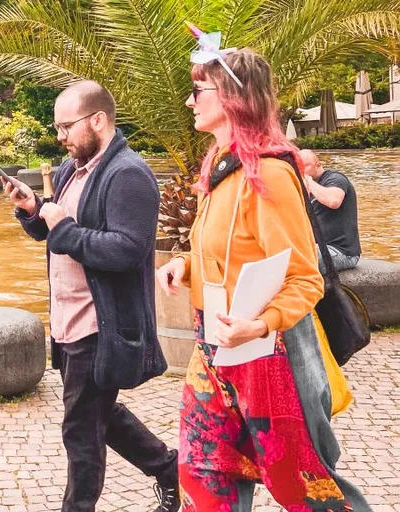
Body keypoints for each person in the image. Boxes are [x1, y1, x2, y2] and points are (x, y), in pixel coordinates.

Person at [155, 27, 372, 511]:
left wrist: (260, 324)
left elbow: (306, 278)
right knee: (202, 470)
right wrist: (185, 266)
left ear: (230, 97)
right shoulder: (220, 166)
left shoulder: (268, 174)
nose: (189, 102)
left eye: (197, 91)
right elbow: (226, 250)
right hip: (214, 346)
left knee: (302, 485)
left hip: (268, 353)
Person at [2, 80, 179, 512]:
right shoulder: (70, 170)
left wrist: (63, 227)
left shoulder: (129, 175)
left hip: (101, 326)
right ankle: (169, 468)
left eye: (66, 126)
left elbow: (128, 250)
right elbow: (58, 231)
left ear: (98, 120)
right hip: (67, 322)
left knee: (80, 430)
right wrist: (34, 210)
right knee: (100, 413)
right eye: (57, 127)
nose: (60, 136)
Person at [298, 149, 361, 271]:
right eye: (298, 167)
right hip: (317, 247)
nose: (300, 171)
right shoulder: (303, 188)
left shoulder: (336, 178)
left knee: (297, 258)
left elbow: (333, 201)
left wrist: (308, 181)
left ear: (318, 165)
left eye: (304, 166)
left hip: (341, 252)